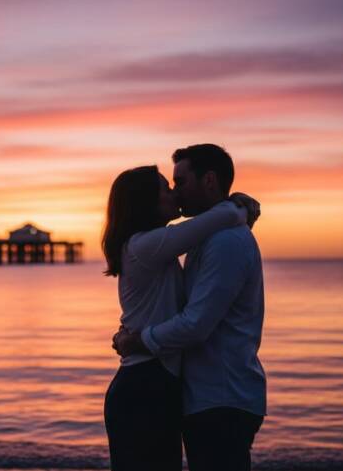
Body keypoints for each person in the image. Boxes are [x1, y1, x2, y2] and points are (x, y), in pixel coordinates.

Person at [113, 144, 266, 471]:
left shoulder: (222, 240)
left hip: (220, 397)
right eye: (168, 187)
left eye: (179, 182)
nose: (176, 193)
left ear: (208, 180)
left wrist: (138, 339)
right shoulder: (181, 241)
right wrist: (240, 208)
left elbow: (195, 323)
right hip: (187, 394)